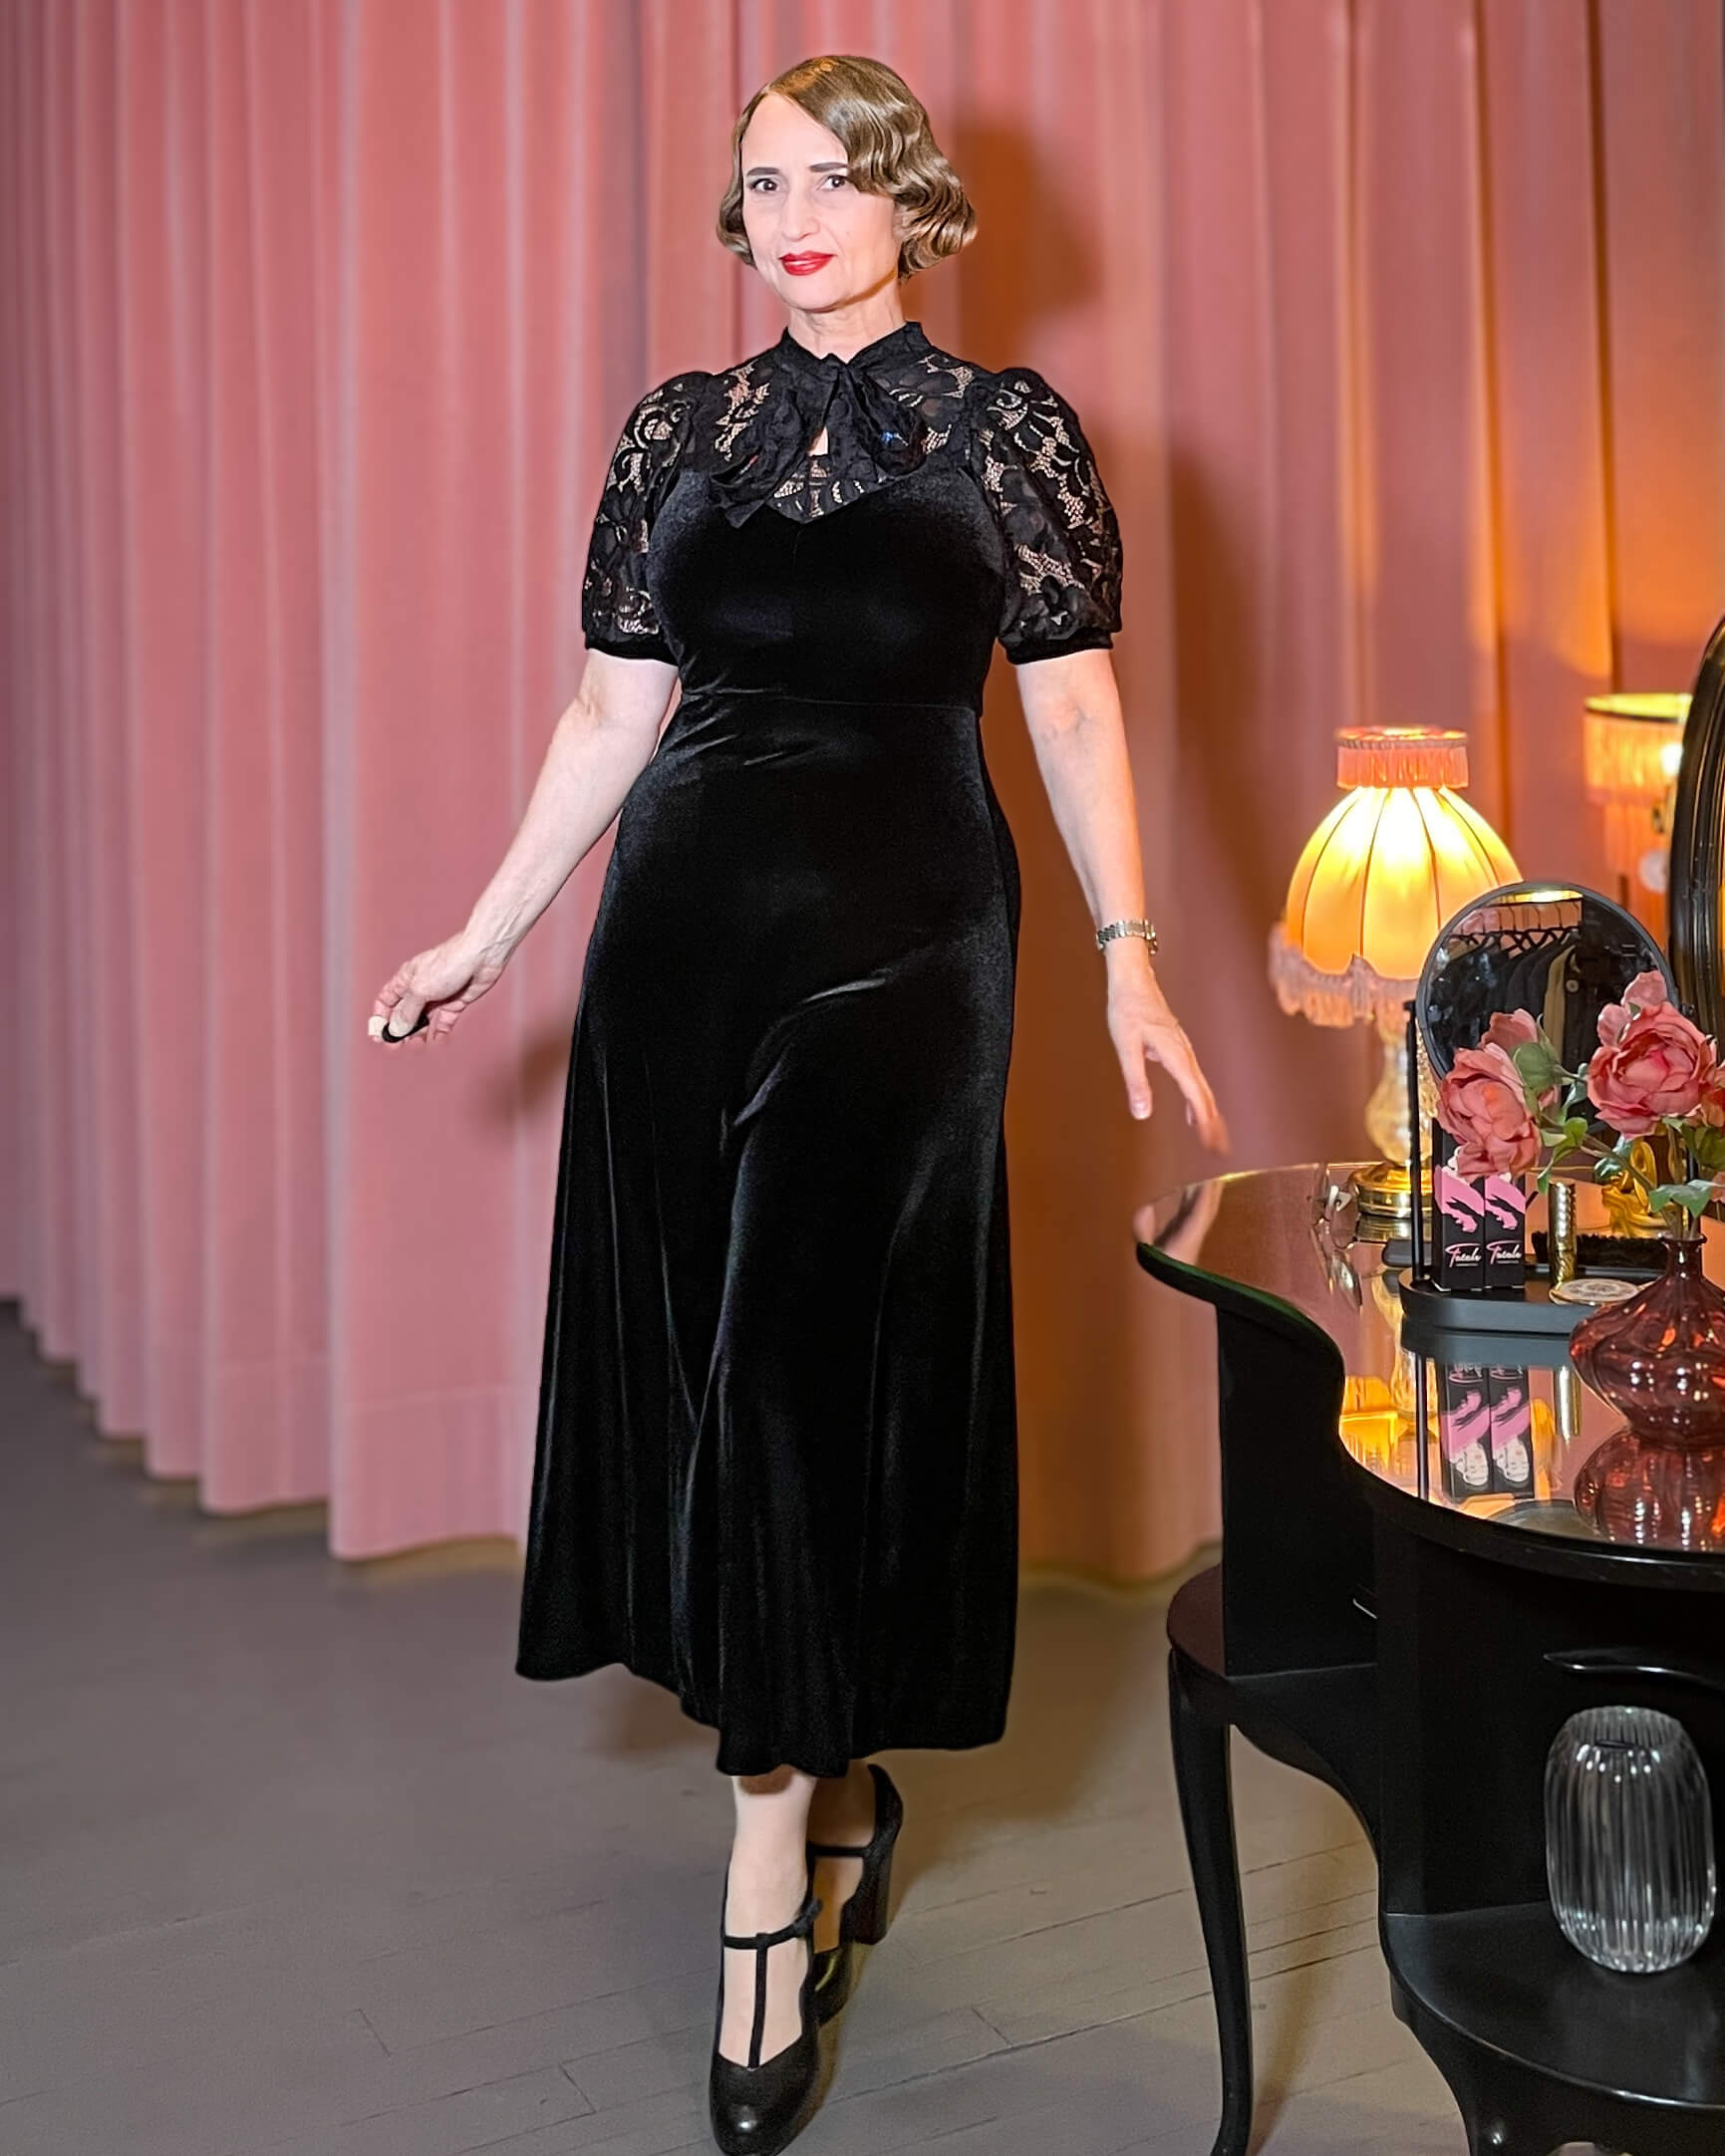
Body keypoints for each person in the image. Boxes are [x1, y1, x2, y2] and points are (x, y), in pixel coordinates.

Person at [370, 52, 1227, 2156]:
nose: (797, 216)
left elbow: (1074, 709)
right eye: (764, 184)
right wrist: (485, 929)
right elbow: (610, 709)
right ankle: (833, 1787)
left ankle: (765, 1890)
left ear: (912, 201)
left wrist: (1128, 950)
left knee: (796, 1368)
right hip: (678, 951)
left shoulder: (1006, 430)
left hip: (909, 949)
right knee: (722, 1380)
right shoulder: (676, 430)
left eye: (836, 177)